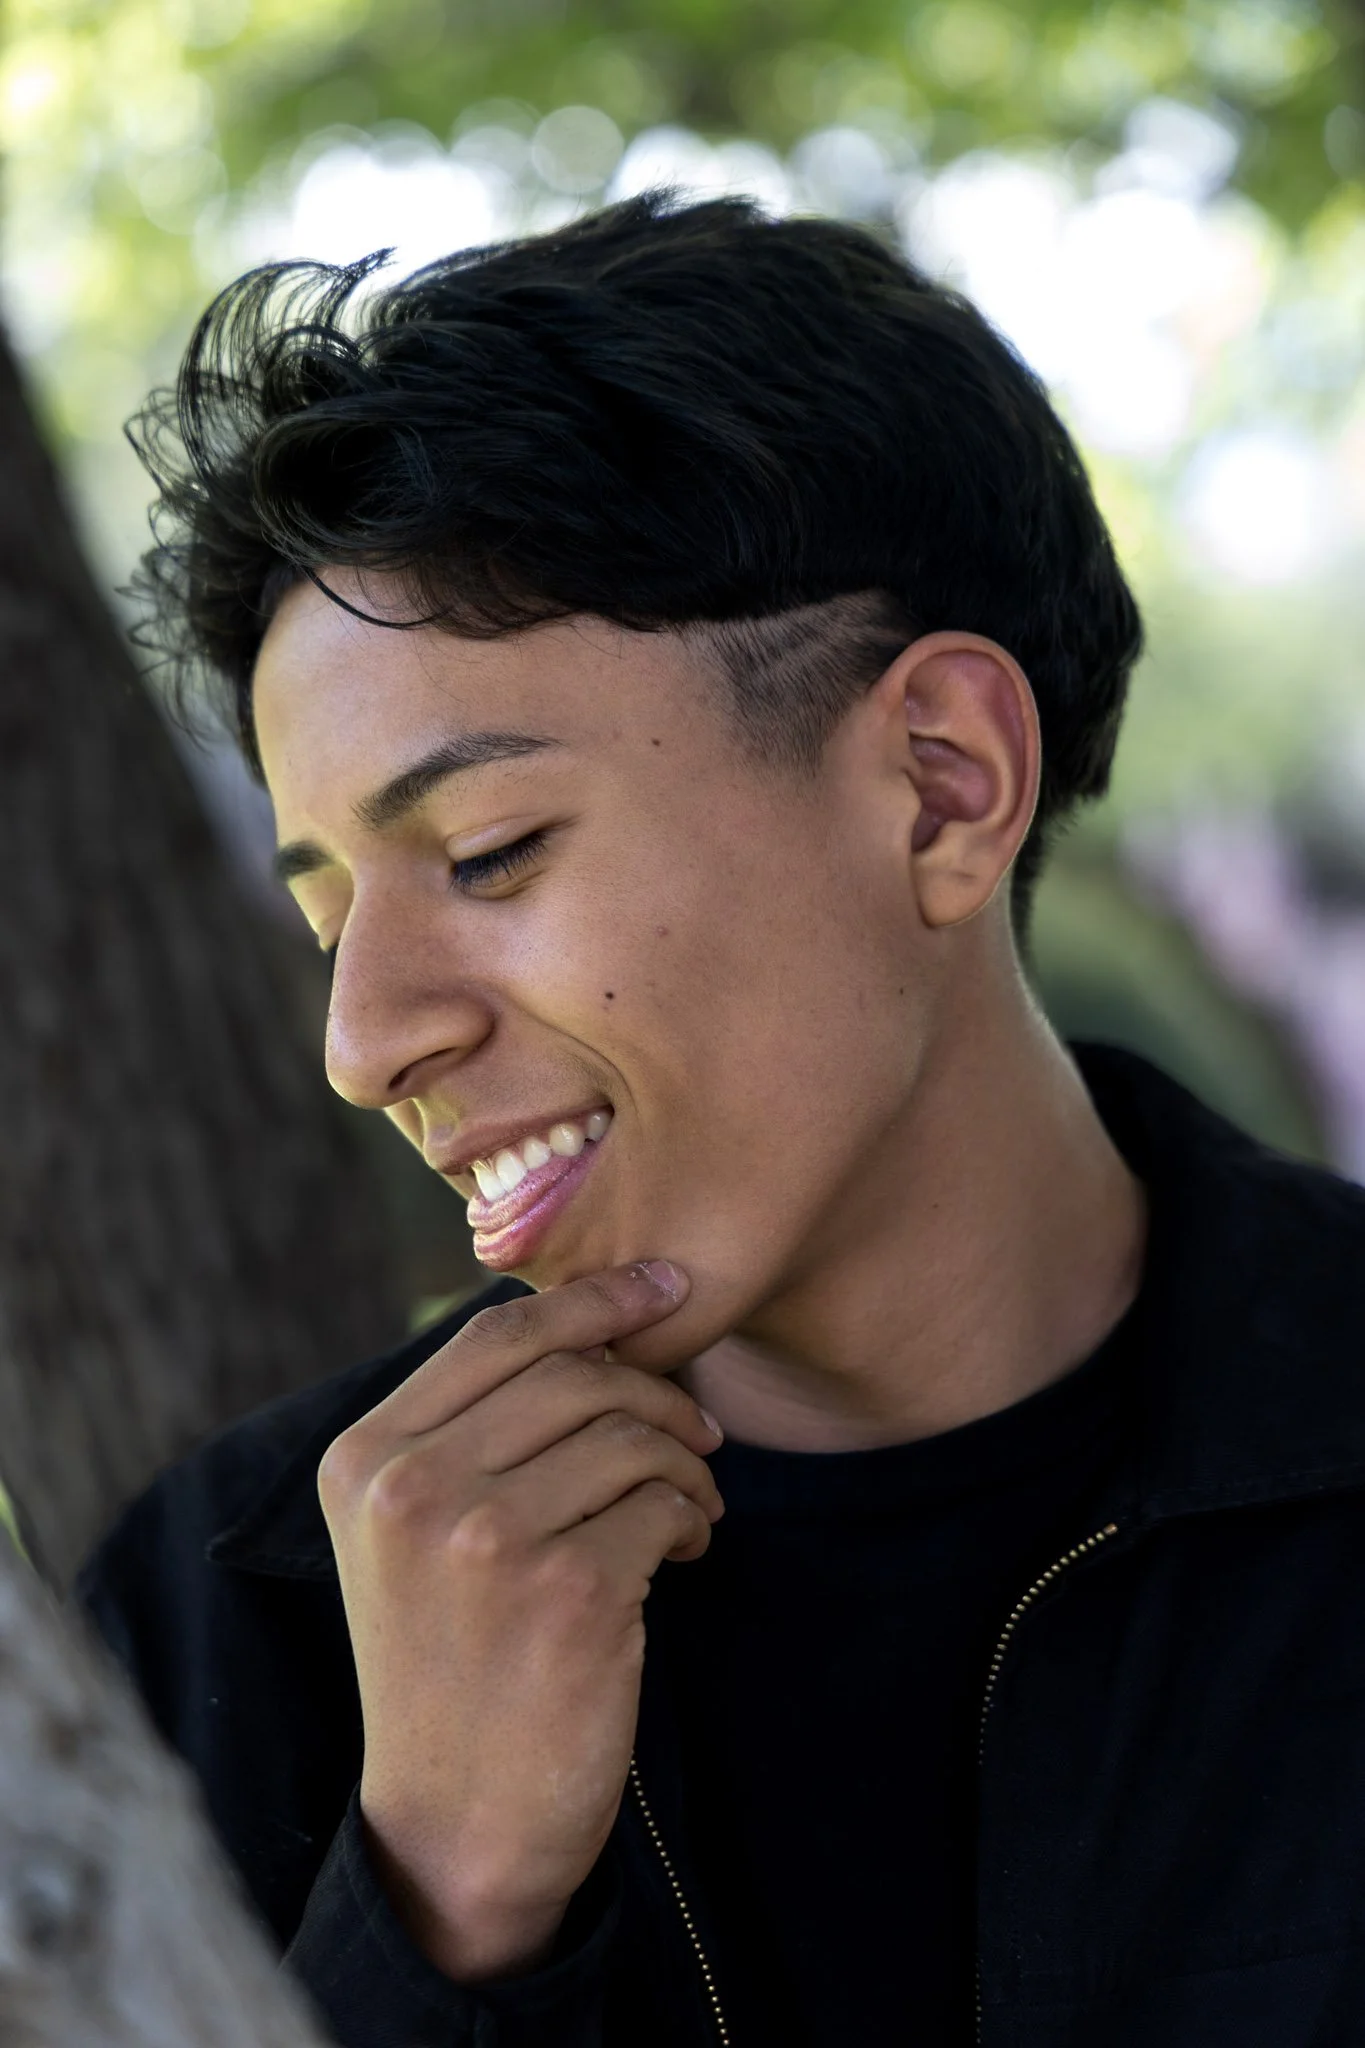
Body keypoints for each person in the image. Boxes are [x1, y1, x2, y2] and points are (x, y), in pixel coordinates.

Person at [78, 193, 1365, 2048]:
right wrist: (438, 1899)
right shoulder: (226, 1624)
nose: (365, 1040)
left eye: (489, 850)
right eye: (329, 916)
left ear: (941, 784)